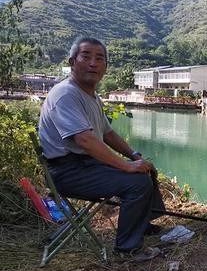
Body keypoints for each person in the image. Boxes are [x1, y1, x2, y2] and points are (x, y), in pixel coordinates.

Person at [38, 36, 165, 254]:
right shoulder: (65, 94)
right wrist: (126, 167)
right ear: (72, 61)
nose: (93, 63)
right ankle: (128, 249)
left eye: (100, 59)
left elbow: (108, 134)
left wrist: (134, 156)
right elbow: (85, 140)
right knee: (137, 184)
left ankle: (142, 225)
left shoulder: (92, 96)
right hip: (67, 171)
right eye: (86, 57)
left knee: (146, 169)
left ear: (105, 66)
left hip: (85, 165)